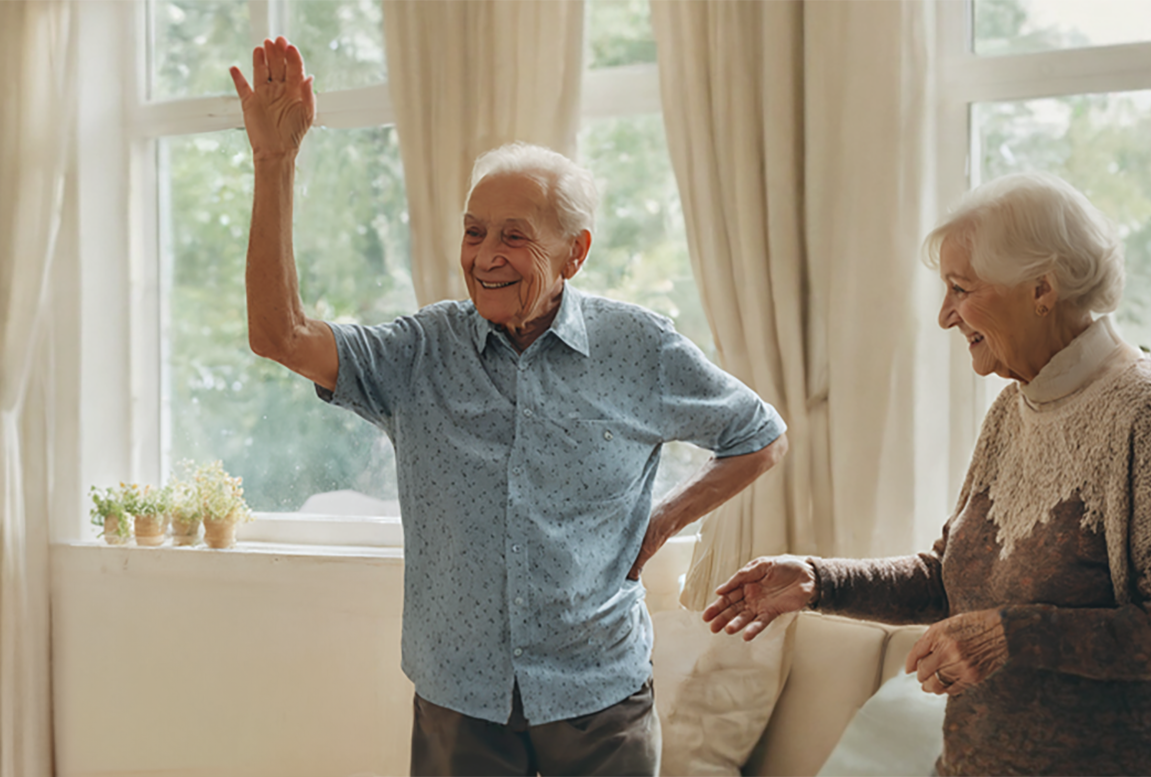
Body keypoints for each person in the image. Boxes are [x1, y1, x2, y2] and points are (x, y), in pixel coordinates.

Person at [229, 37, 788, 777]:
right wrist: (275, 164)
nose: (485, 255)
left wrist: (663, 521)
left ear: (574, 252)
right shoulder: (417, 351)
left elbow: (760, 435)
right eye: (474, 230)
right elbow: (279, 333)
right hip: (460, 702)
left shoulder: (638, 347)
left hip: (598, 700)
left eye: (514, 236)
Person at [704, 171, 1151, 776]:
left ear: (1042, 288)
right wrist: (820, 580)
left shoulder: (1148, 410)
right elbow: (950, 580)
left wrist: (1014, 636)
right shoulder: (1014, 408)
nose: (944, 316)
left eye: (961, 288)